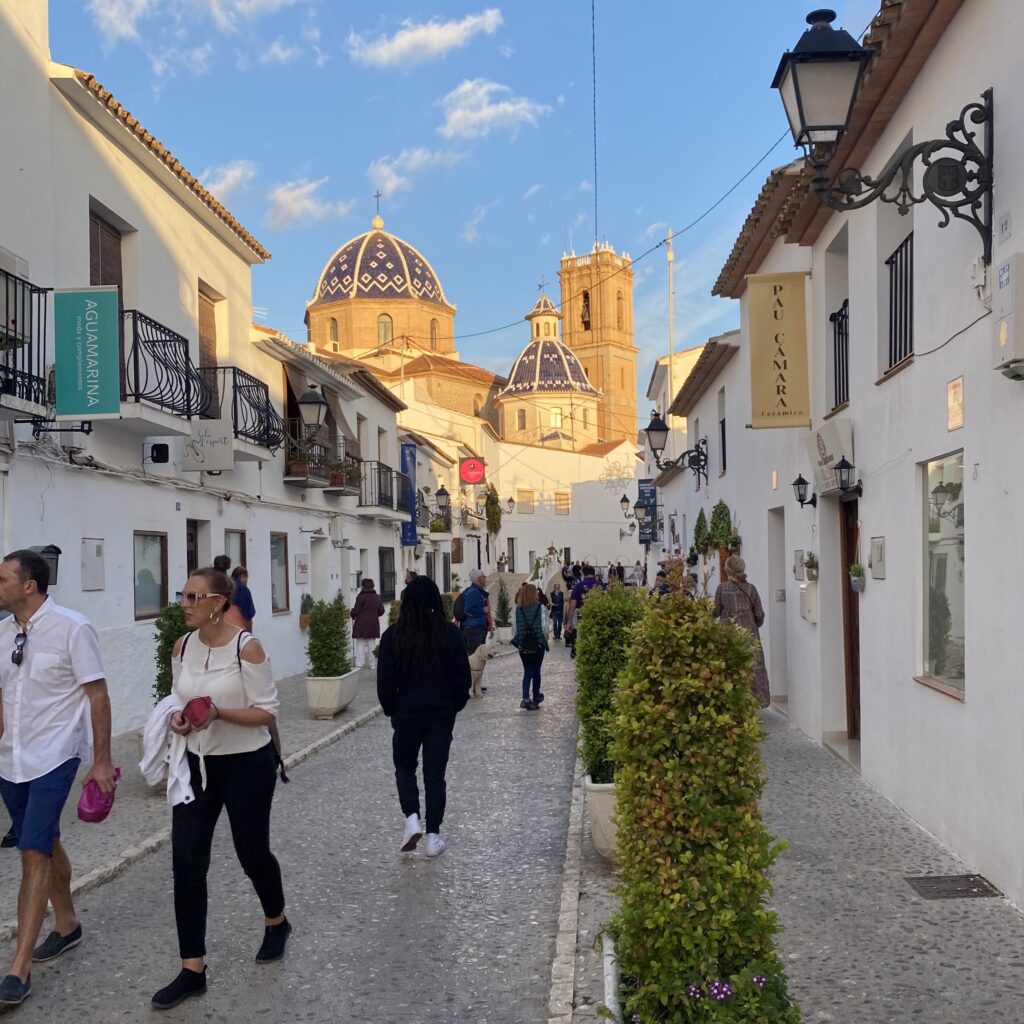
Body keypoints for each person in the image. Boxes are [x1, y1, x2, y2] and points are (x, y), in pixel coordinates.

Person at [152, 567, 288, 1010]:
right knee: (187, 863)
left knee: (252, 853)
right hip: (195, 764)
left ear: (218, 603)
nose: (185, 604)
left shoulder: (247, 649)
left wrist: (219, 714)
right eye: (183, 595)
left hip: (248, 764)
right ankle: (192, 968)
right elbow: (179, 698)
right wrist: (179, 719)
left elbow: (267, 712)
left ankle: (276, 920)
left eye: (194, 596)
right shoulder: (181, 647)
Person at [0, 549, 115, 1007]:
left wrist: (102, 760)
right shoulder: (3, 632)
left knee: (32, 851)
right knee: (44, 840)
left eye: (3, 578)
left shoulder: (73, 627)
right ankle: (67, 924)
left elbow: (98, 695)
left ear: (29, 585)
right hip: (11, 758)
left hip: (55, 755)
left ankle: (18, 967)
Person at [376, 577, 470, 858]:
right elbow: (462, 678)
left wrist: (393, 709)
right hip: (441, 714)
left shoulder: (393, 636)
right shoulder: (450, 635)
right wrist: (454, 705)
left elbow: (384, 682)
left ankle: (412, 819)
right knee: (435, 775)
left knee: (404, 768)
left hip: (406, 714)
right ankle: (433, 836)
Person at [713, 555, 770, 709]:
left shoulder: (721, 588)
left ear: (726, 570)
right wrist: (752, 624)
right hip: (749, 634)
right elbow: (759, 615)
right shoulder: (751, 589)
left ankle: (731, 704)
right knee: (752, 668)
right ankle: (754, 703)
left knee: (730, 668)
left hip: (728, 635)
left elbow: (715, 612)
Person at [514, 584, 549, 710]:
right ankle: (536, 697)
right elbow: (545, 628)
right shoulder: (541, 608)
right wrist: (545, 642)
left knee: (527, 671)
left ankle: (525, 698)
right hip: (537, 645)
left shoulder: (518, 609)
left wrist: (519, 642)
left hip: (523, 646)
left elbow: (515, 629)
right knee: (536, 671)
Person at [565, 565, 606, 659]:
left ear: (583, 574)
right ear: (594, 574)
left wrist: (569, 622)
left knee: (583, 640)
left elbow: (572, 605)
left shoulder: (578, 587)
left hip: (583, 617)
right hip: (600, 617)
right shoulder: (601, 585)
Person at [350, 578, 385, 669]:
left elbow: (356, 611)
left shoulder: (360, 597)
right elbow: (382, 611)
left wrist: (352, 613)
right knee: (371, 644)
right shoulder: (377, 597)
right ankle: (372, 664)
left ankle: (359, 664)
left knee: (360, 643)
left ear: (364, 586)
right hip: (373, 623)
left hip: (361, 623)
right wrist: (374, 614)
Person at [460, 569, 493, 655]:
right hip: (473, 628)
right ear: (478, 578)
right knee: (476, 656)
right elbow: (467, 609)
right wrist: (482, 610)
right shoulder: (473, 592)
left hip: (478, 627)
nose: (485, 579)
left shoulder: (478, 591)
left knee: (479, 656)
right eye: (484, 577)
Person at [225, 566, 255, 631]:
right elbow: (248, 615)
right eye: (247, 578)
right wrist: (249, 634)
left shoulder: (226, 588)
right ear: (242, 576)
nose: (247, 581)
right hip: (239, 630)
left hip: (225, 630)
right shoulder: (243, 590)